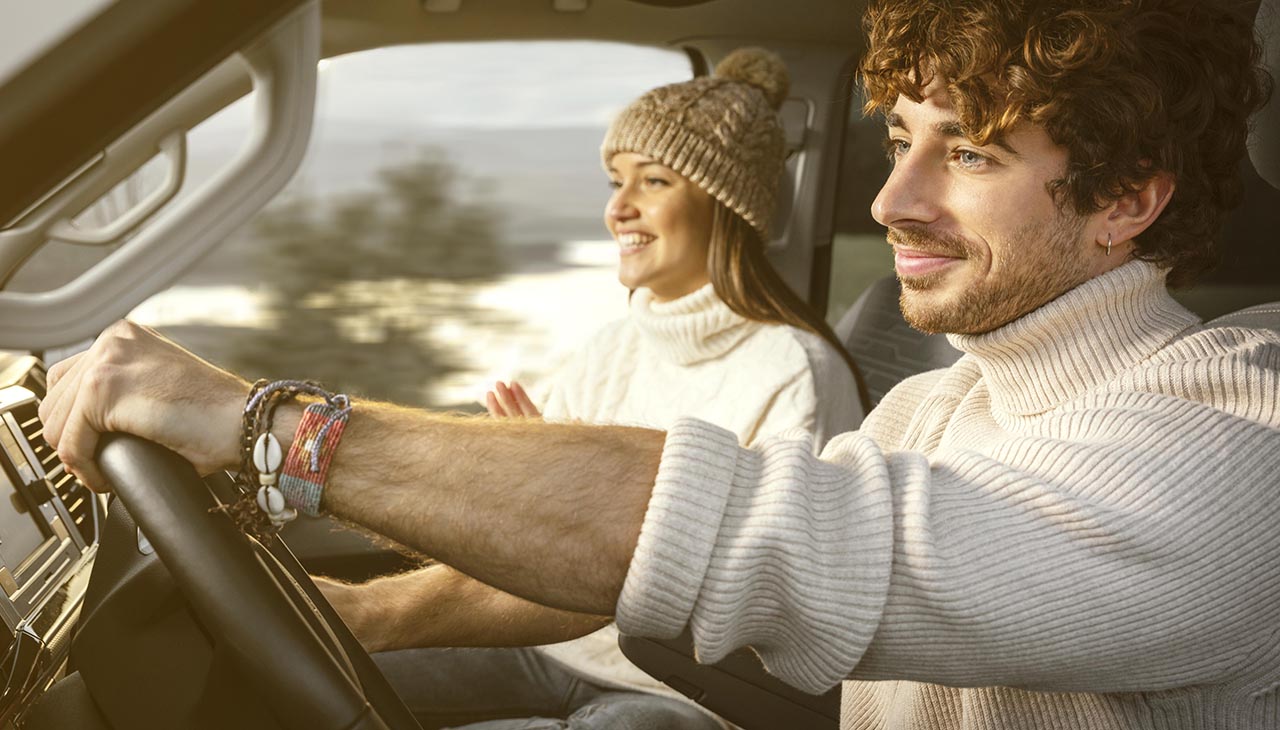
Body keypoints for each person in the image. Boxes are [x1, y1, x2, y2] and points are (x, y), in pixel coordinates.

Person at [37, 0, 1279, 728]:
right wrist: (355, 592)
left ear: (1124, 198)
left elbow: (748, 533)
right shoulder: (932, 409)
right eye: (899, 140)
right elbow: (691, 556)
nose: (890, 198)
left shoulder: (1239, 439)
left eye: (970, 153)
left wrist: (265, 422)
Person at [356, 47, 865, 729]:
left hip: (680, 690)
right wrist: (522, 487)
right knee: (323, 670)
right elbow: (539, 550)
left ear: (725, 201)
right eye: (613, 183)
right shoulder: (613, 347)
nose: (618, 209)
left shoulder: (792, 371)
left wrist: (565, 507)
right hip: (548, 647)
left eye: (652, 182)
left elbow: (763, 600)